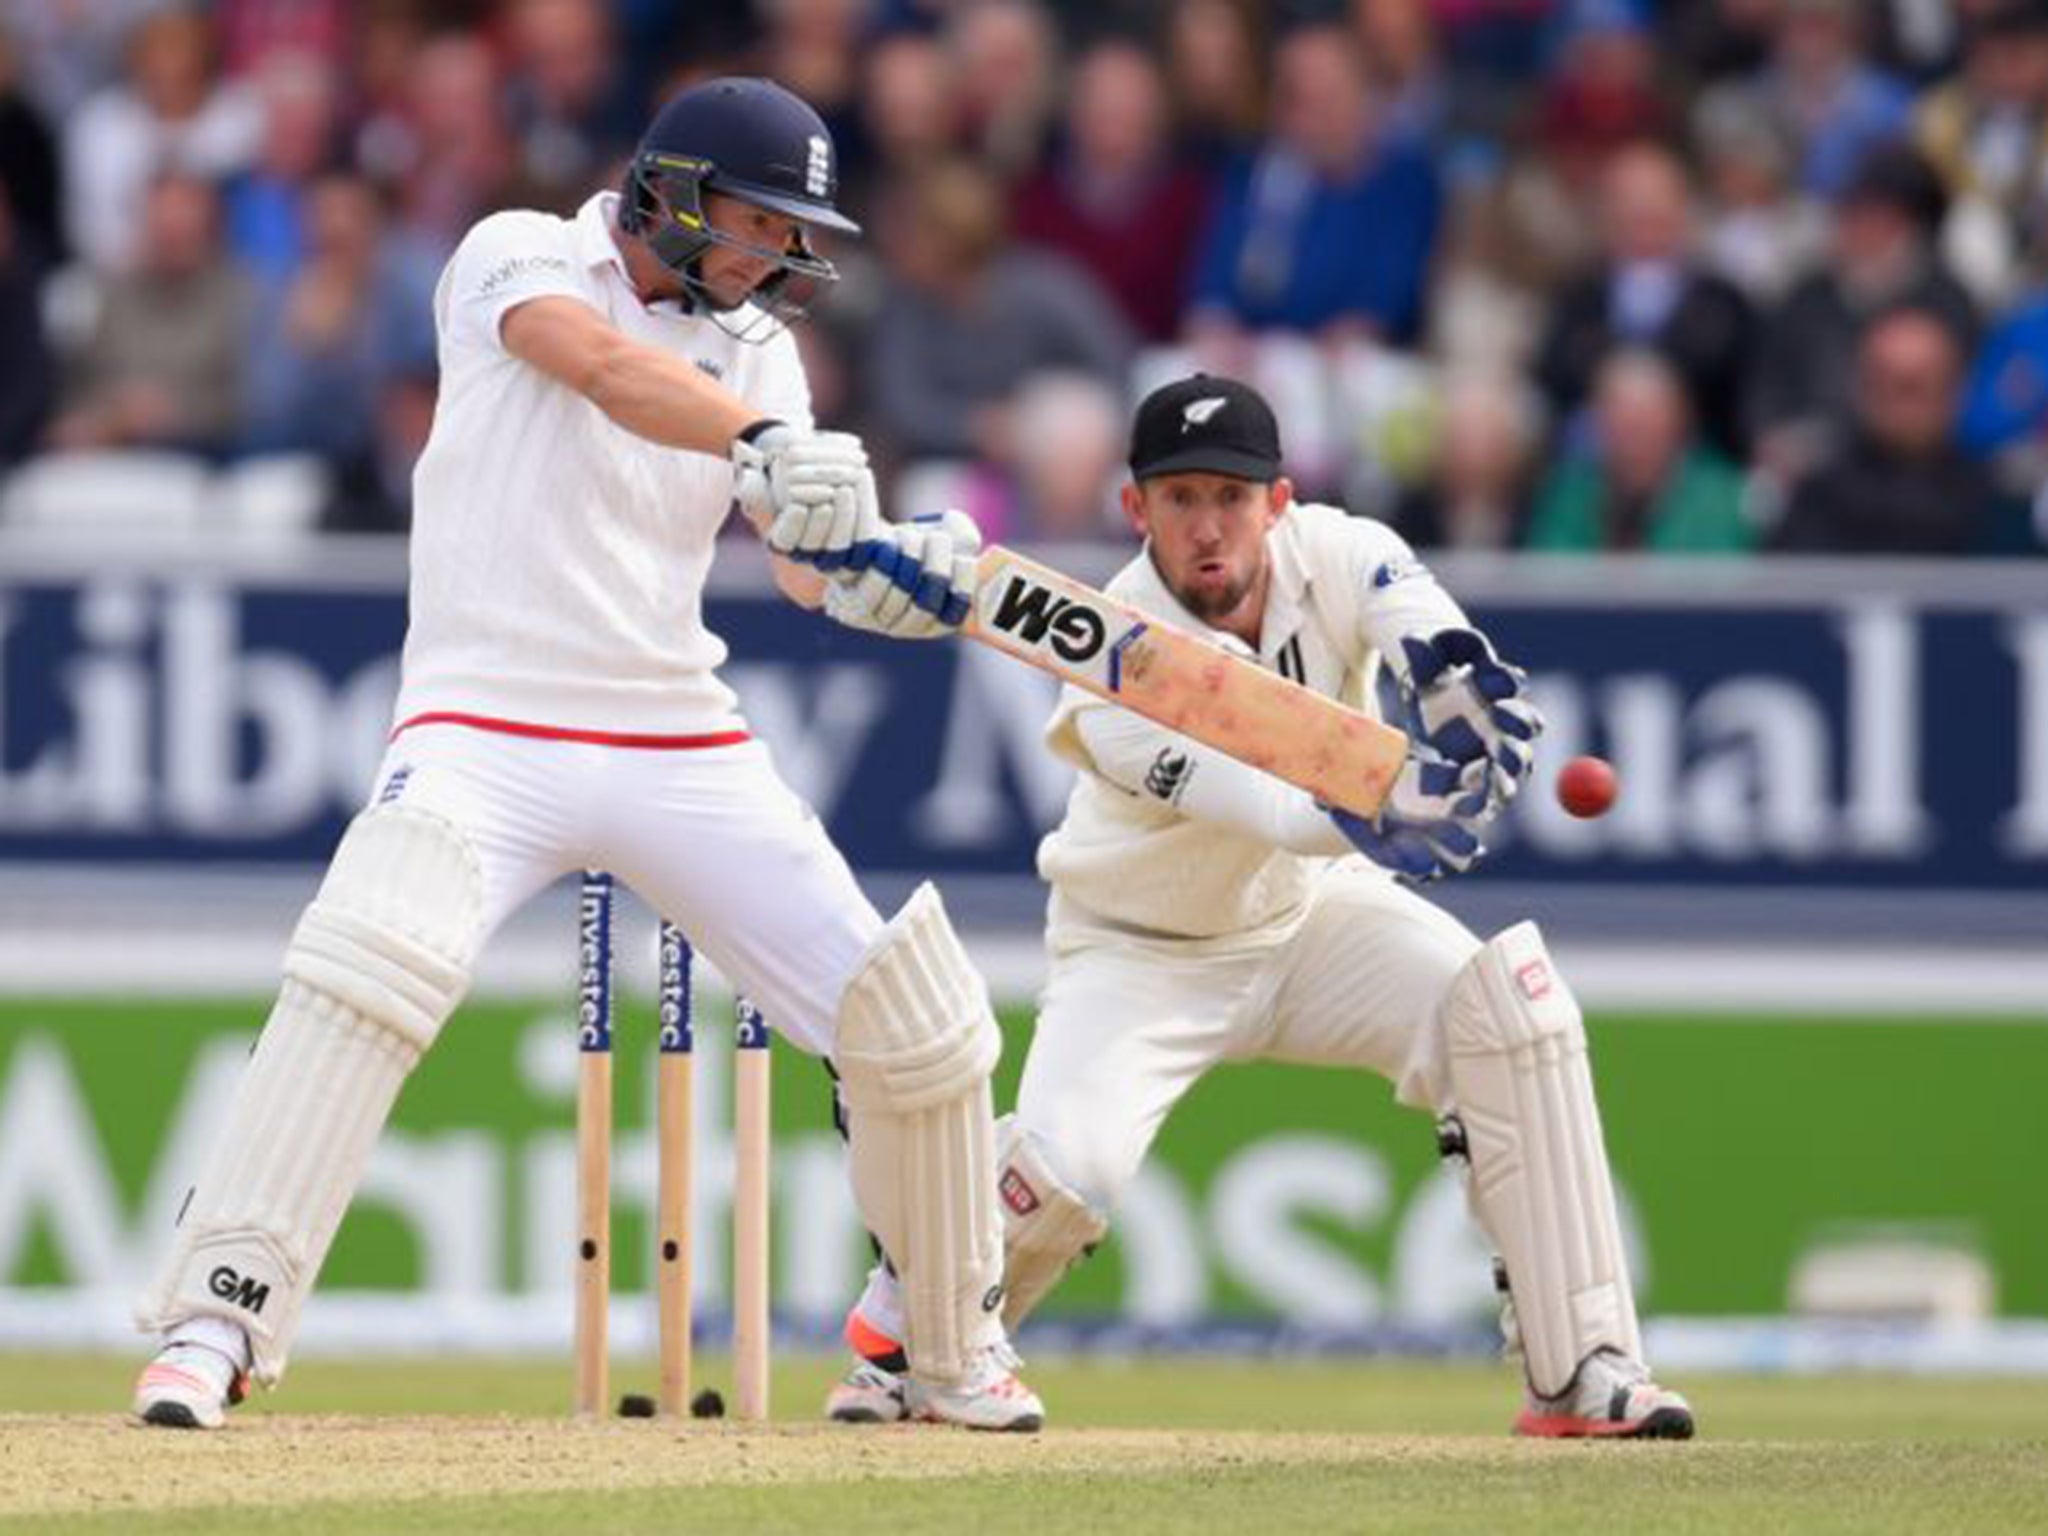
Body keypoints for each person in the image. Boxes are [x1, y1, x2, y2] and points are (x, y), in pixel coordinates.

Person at [130, 76, 1042, 1434]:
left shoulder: (761, 353)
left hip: (675, 727)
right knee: (371, 960)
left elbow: (797, 567)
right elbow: (612, 374)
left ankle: (945, 1349)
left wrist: (872, 570)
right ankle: (215, 1322)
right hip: (483, 715)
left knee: (916, 1025)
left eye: (797, 234)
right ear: (668, 192)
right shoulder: (516, 252)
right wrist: (772, 442)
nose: (777, 259)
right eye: (756, 222)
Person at [826, 374, 1696, 1440]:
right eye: (1179, 498)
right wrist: (1394, 793)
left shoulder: (1335, 548)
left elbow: (1414, 615)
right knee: (1069, 1172)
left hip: (1313, 921)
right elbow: (1275, 805)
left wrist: (1458, 683)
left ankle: (1583, 1370)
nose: (1207, 527)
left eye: (1230, 499)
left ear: (1276, 503)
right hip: (1141, 952)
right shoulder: (1113, 660)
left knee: (1511, 1008)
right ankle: (903, 1336)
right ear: (1133, 511)